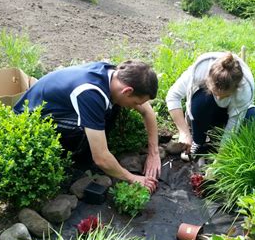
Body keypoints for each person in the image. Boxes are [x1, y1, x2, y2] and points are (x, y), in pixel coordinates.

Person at [14, 60, 160, 192]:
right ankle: (75, 165)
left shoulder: (115, 77)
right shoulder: (90, 93)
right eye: (136, 103)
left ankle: (90, 155)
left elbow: (148, 112)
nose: (136, 107)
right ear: (127, 90)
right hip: (30, 118)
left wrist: (153, 153)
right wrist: (132, 178)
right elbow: (101, 158)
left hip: (58, 107)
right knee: (92, 122)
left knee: (110, 107)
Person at [166, 51, 255, 159]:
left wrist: (220, 159)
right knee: (202, 100)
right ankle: (198, 140)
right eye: (216, 93)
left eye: (225, 96)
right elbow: (172, 96)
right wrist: (184, 132)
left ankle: (221, 131)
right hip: (206, 105)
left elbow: (232, 128)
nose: (219, 98)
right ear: (208, 80)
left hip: (230, 112)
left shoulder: (244, 90)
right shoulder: (201, 70)